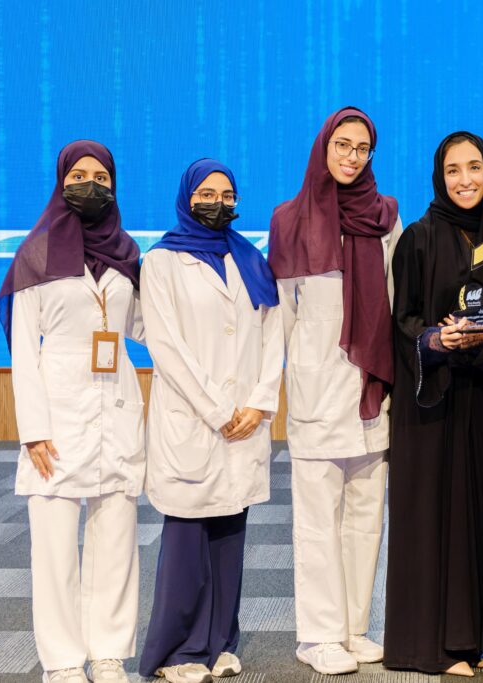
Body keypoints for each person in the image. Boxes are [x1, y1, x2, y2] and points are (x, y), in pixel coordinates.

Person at [0, 140, 143, 683]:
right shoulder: (35, 254)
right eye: (79, 176)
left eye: (102, 178)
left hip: (118, 405)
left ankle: (108, 652)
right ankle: (61, 660)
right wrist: (33, 430)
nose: (91, 186)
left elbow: (144, 326)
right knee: (56, 547)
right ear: (61, 182)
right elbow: (23, 350)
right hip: (56, 416)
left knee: (116, 538)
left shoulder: (127, 253)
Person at [138, 159, 283, 683]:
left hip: (245, 421)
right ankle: (178, 652)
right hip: (196, 421)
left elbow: (273, 332)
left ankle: (221, 642)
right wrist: (219, 411)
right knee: (187, 540)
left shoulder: (250, 259)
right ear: (186, 197)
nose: (217, 203)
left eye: (226, 195)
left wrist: (261, 401)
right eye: (206, 193)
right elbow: (166, 346)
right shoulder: (161, 262)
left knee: (229, 537)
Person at [268, 106, 401, 676]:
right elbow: (281, 317)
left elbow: (392, 302)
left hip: (372, 389)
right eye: (342, 145)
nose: (351, 156)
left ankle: (352, 627)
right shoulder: (290, 219)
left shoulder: (386, 217)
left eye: (362, 148)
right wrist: (283, 384)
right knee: (318, 518)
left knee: (366, 515)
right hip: (317, 389)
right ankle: (318, 635)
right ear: (324, 147)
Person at [384, 131, 483, 677]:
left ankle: (464, 638)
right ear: (439, 176)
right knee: (426, 515)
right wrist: (437, 339)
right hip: (428, 400)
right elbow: (402, 321)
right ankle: (422, 647)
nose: (465, 180)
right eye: (453, 170)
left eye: (474, 168)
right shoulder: (418, 237)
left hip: (477, 396)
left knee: (468, 514)